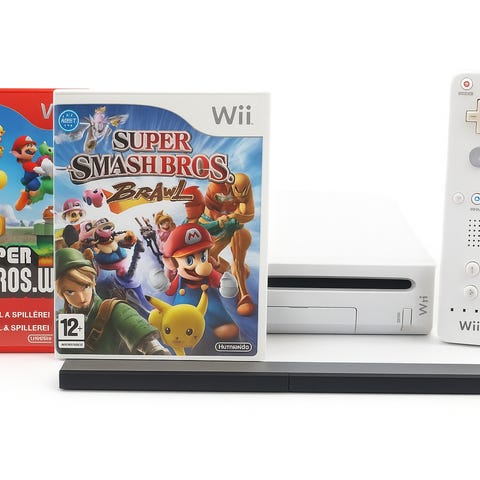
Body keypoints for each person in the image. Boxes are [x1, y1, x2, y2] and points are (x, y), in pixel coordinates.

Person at [55, 248, 169, 355]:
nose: (81, 298)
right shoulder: (60, 317)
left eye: (85, 287)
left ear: (93, 282)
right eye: (70, 292)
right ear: (62, 293)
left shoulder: (115, 310)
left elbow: (154, 349)